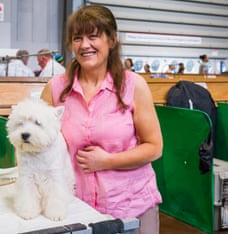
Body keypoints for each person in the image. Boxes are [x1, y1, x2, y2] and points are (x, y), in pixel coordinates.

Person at [40, 5, 162, 234]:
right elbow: (40, 146)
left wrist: (107, 161)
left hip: (131, 207)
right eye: (77, 38)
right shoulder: (55, 89)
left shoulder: (134, 85)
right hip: (76, 208)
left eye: (93, 36)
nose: (84, 45)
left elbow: (154, 148)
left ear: (112, 40)